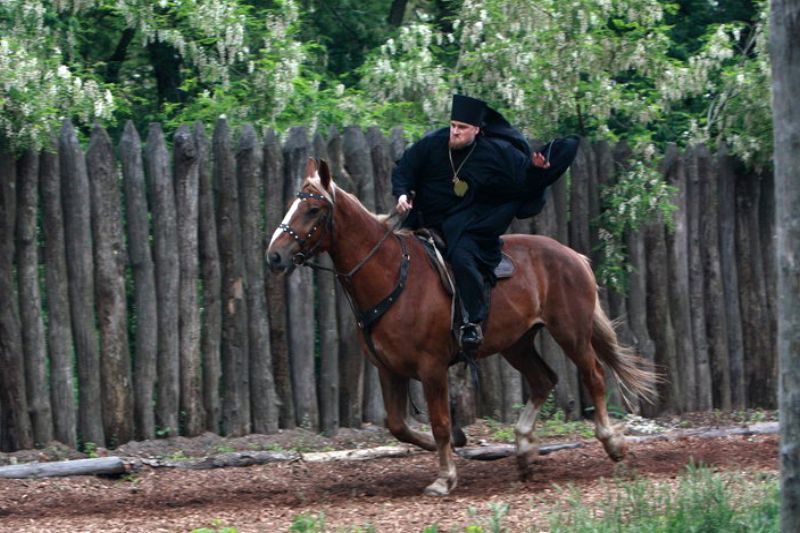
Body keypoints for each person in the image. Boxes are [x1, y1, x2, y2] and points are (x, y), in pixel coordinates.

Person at [392, 94, 579, 350]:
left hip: (469, 222)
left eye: (462, 128)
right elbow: (405, 168)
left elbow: (523, 182)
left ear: (477, 130)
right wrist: (402, 193)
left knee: (462, 257)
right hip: (425, 218)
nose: (455, 132)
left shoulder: (496, 153)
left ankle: (471, 322)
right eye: (453, 125)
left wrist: (536, 170)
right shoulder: (433, 144)